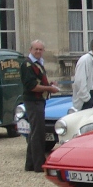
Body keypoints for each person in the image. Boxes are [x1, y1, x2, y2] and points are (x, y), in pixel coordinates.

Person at [20, 40, 61, 172]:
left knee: (35, 131)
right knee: (38, 133)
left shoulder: (38, 63)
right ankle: (39, 164)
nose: (38, 51)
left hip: (39, 100)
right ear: (30, 49)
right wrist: (49, 88)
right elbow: (32, 86)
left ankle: (31, 164)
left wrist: (50, 84)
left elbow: (38, 81)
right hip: (33, 100)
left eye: (40, 49)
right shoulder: (27, 65)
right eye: (35, 49)